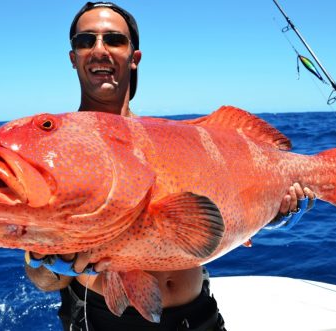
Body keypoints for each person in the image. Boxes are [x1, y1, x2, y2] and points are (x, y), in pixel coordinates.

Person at [25, 2, 316, 330]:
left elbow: (228, 208)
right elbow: (43, 280)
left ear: (134, 58)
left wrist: (278, 216)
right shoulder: (57, 148)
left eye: (114, 40)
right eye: (85, 41)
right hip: (107, 320)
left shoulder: (171, 141)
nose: (99, 50)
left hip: (200, 314)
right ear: (73, 57)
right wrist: (49, 261)